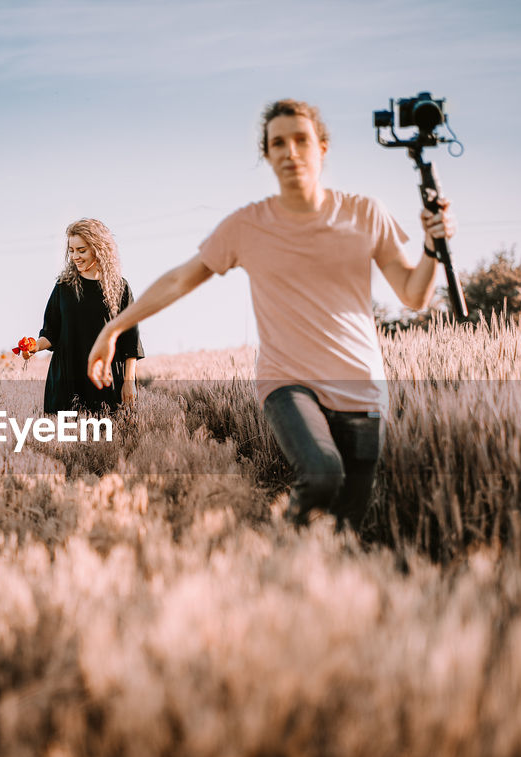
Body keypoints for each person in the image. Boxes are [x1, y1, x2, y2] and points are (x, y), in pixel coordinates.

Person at [87, 99, 456, 533]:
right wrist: (115, 326)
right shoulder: (248, 225)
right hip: (288, 382)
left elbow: (413, 295)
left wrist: (433, 247)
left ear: (322, 147)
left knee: (346, 526)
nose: (290, 151)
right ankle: (280, 543)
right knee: (322, 474)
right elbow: (180, 279)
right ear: (267, 154)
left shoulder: (365, 213)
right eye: (278, 143)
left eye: (301, 140)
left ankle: (305, 579)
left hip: (361, 385)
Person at [24, 218, 144, 414]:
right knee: (66, 441)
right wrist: (34, 347)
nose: (75, 257)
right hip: (67, 381)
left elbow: (131, 341)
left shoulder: (120, 287)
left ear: (99, 249)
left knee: (108, 441)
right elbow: (51, 333)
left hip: (107, 381)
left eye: (81, 250)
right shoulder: (63, 287)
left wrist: (129, 382)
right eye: (71, 251)